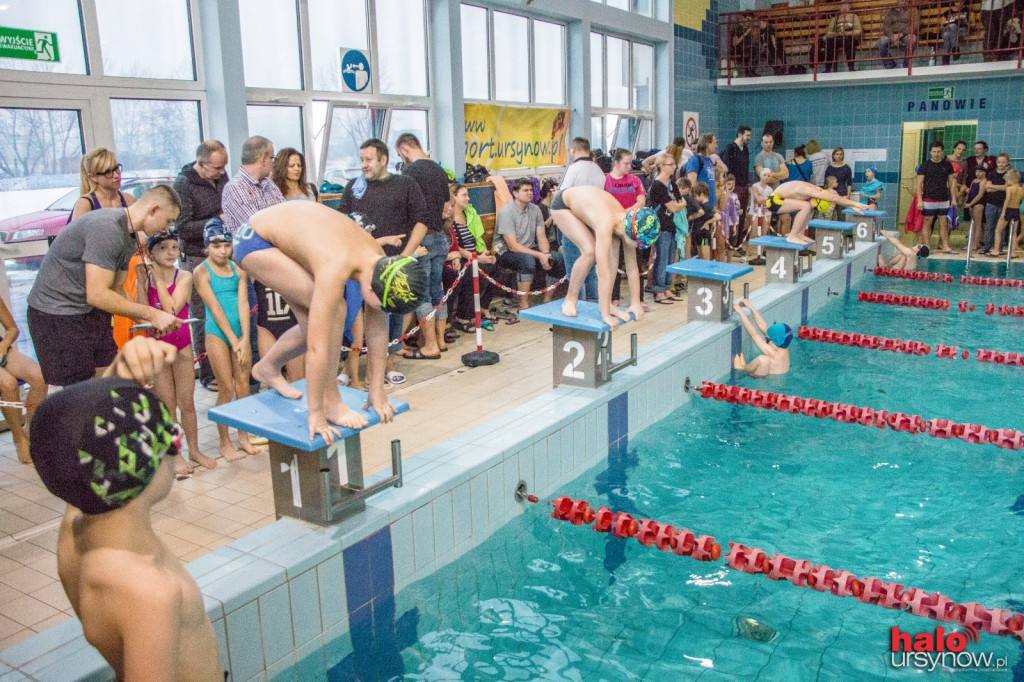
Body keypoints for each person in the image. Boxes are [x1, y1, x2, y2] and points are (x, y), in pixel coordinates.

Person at [31, 344, 223, 681]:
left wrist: (119, 372)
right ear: (140, 470)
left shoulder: (74, 537)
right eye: (171, 441)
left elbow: (82, 443)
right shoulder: (150, 591)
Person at [233, 201, 427, 444]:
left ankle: (267, 367)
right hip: (255, 241)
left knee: (316, 322)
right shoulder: (334, 266)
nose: (379, 312)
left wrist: (376, 389)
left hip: (285, 232)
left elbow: (378, 328)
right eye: (381, 306)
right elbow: (317, 347)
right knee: (334, 314)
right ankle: (330, 401)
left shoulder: (379, 262)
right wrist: (317, 414)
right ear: (370, 287)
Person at [28, 186, 182, 387]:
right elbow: (97, 294)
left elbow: (117, 288)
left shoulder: (130, 235)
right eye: (168, 220)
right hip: (57, 312)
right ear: (153, 210)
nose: (166, 229)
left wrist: (149, 319)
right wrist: (153, 314)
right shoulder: (107, 228)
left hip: (88, 311)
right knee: (82, 393)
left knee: (108, 383)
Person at [339, 138, 429, 385]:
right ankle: (349, 369)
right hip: (359, 265)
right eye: (361, 160)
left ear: (383, 160)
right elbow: (342, 225)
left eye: (368, 160)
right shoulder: (354, 187)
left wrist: (406, 256)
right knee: (354, 318)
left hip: (393, 263)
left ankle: (387, 366)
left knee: (392, 315)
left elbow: (422, 220)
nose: (364, 165)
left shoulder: (405, 184)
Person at [135, 233, 215, 475]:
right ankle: (175, 454)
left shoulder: (185, 276)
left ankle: (195, 450)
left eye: (174, 247)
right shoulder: (146, 279)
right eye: (163, 248)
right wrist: (142, 281)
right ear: (150, 253)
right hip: (157, 348)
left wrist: (157, 279)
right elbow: (140, 313)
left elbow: (171, 309)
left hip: (180, 346)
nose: (170, 252)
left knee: (187, 403)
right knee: (167, 406)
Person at [193, 220, 259, 462]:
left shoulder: (238, 269)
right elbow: (214, 308)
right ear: (207, 247)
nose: (222, 251)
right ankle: (224, 442)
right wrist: (233, 340)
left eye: (226, 245)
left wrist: (243, 337)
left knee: (243, 386)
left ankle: (243, 437)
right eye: (216, 246)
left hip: (239, 332)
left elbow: (244, 304)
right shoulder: (201, 272)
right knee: (227, 388)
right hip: (217, 334)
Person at [550, 186, 657, 329]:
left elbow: (632, 268)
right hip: (563, 206)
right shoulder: (606, 224)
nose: (638, 247)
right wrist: (605, 315)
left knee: (613, 260)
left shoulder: (626, 223)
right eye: (638, 243)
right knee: (590, 252)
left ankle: (606, 304)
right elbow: (602, 273)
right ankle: (570, 298)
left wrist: (636, 303)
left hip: (587, 204)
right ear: (631, 233)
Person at [173, 140, 229, 390]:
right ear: (202, 164)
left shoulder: (221, 176)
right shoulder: (184, 184)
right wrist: (214, 221)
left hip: (223, 253)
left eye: (224, 167)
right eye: (217, 168)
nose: (221, 172)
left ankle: (227, 366)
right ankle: (208, 373)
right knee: (203, 315)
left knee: (224, 311)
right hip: (196, 256)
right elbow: (182, 227)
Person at [395, 133, 452, 358]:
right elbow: (447, 203)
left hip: (422, 238)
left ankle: (430, 345)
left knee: (422, 295)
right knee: (437, 290)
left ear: (405, 149)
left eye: (400, 155)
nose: (402, 159)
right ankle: (439, 339)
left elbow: (403, 205)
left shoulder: (410, 171)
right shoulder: (439, 169)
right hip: (440, 236)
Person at [494, 178, 565, 311]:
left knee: (558, 259)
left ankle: (547, 300)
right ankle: (523, 304)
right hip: (505, 252)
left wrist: (545, 254)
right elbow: (512, 246)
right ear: (515, 193)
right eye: (525, 190)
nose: (530, 193)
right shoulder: (507, 212)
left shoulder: (535, 209)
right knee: (527, 261)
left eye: (531, 190)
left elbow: (541, 236)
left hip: (530, 248)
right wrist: (539, 255)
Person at [557, 137, 605, 302]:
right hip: (591, 222)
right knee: (590, 269)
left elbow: (562, 195)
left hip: (573, 223)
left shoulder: (573, 168)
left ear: (573, 149)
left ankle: (576, 308)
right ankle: (593, 305)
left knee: (574, 272)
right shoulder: (598, 170)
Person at [0, 296, 45, 464]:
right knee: (8, 384)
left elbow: (12, 329)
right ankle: (18, 439)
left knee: (40, 376)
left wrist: (4, 345)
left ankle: (30, 433)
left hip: (1, 350)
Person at [606, 149, 649, 307]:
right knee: (613, 264)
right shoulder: (606, 181)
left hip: (631, 227)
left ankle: (638, 300)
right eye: (626, 163)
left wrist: (622, 213)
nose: (629, 166)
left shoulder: (635, 180)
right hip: (612, 228)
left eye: (630, 163)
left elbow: (641, 202)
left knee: (635, 264)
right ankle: (613, 298)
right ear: (616, 163)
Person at [763, 180, 866, 245]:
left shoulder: (815, 189)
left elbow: (833, 199)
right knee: (806, 205)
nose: (815, 207)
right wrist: (855, 204)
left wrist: (851, 206)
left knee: (808, 206)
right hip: (773, 201)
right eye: (817, 206)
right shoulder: (809, 191)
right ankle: (792, 236)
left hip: (781, 199)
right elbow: (833, 197)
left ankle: (799, 233)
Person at [648, 154, 686, 304]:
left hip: (672, 226)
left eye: (674, 164)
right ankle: (658, 291)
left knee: (671, 259)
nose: (674, 167)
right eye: (671, 164)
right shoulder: (657, 186)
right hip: (661, 226)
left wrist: (679, 205)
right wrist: (680, 205)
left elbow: (680, 201)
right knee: (662, 259)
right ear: (662, 166)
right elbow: (675, 206)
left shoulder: (672, 182)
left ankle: (667, 288)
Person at [916, 140, 958, 254]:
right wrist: (919, 200)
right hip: (929, 198)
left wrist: (953, 198)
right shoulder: (925, 165)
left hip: (944, 198)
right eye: (934, 151)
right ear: (930, 152)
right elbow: (919, 184)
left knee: (944, 223)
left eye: (938, 151)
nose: (936, 154)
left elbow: (951, 182)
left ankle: (945, 246)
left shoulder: (947, 165)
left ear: (942, 152)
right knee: (927, 222)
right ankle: (927, 245)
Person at [69, 148, 134, 221]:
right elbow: (75, 232)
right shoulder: (85, 204)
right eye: (108, 172)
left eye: (116, 168)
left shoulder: (128, 199)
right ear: (93, 177)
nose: (116, 175)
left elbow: (139, 230)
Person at [732, 299, 791, 377]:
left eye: (769, 339)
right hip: (767, 378)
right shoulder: (781, 345)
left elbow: (754, 335)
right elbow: (764, 328)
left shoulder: (773, 353)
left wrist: (741, 313)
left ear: (775, 341)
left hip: (765, 384)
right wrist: (750, 307)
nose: (766, 338)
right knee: (765, 360)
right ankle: (745, 367)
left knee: (763, 359)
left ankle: (743, 368)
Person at [721, 126, 752, 225]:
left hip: (744, 186)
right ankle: (731, 238)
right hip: (734, 187)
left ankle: (739, 240)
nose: (749, 138)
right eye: (747, 135)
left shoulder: (745, 149)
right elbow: (726, 170)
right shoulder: (730, 148)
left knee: (742, 214)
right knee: (732, 215)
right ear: (740, 135)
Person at [984, 153, 1013, 255]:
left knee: (1001, 228)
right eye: (999, 162)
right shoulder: (991, 173)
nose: (1001, 164)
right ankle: (987, 247)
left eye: (1003, 162)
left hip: (1004, 204)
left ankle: (999, 248)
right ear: (996, 163)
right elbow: (987, 189)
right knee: (990, 227)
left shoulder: (1009, 174)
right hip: (991, 204)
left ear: (1007, 163)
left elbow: (1008, 188)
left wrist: (993, 187)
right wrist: (1002, 187)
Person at [991, 169, 1024, 258]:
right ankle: (1013, 252)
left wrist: (1003, 212)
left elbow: (1007, 200)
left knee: (998, 230)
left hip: (1008, 210)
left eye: (1007, 180)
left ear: (1011, 179)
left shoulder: (1009, 189)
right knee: (1014, 232)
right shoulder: (1021, 189)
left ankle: (996, 250)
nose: (1006, 182)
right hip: (1016, 210)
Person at [823, 2, 862, 72]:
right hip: (837, 37)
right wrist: (837, 34)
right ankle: (827, 68)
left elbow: (859, 31)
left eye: (846, 5)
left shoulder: (854, 16)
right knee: (829, 43)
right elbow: (828, 33)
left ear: (849, 7)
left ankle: (851, 67)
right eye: (842, 6)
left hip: (849, 37)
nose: (844, 7)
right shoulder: (835, 19)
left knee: (850, 43)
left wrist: (847, 33)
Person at [747, 168, 774, 265]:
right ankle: (747, 254)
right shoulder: (755, 186)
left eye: (769, 176)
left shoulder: (770, 189)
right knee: (754, 233)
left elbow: (769, 202)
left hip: (766, 212)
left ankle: (760, 253)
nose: (767, 177)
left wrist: (765, 200)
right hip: (755, 212)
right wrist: (767, 200)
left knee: (764, 233)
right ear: (761, 176)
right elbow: (758, 199)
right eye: (765, 175)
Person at [686, 182, 718, 260]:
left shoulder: (707, 206)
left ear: (702, 195)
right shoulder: (700, 206)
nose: (694, 198)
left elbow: (717, 216)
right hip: (698, 234)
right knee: (700, 255)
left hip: (704, 235)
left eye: (695, 196)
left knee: (705, 256)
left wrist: (707, 222)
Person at [965, 163, 990, 253]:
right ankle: (971, 243)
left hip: (979, 203)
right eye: (977, 171)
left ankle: (975, 244)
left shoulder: (984, 181)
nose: (978, 173)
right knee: (973, 224)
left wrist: (970, 203)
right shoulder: (974, 180)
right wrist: (967, 202)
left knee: (977, 224)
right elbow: (970, 192)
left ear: (985, 172)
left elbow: (980, 195)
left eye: (980, 171)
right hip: (972, 203)